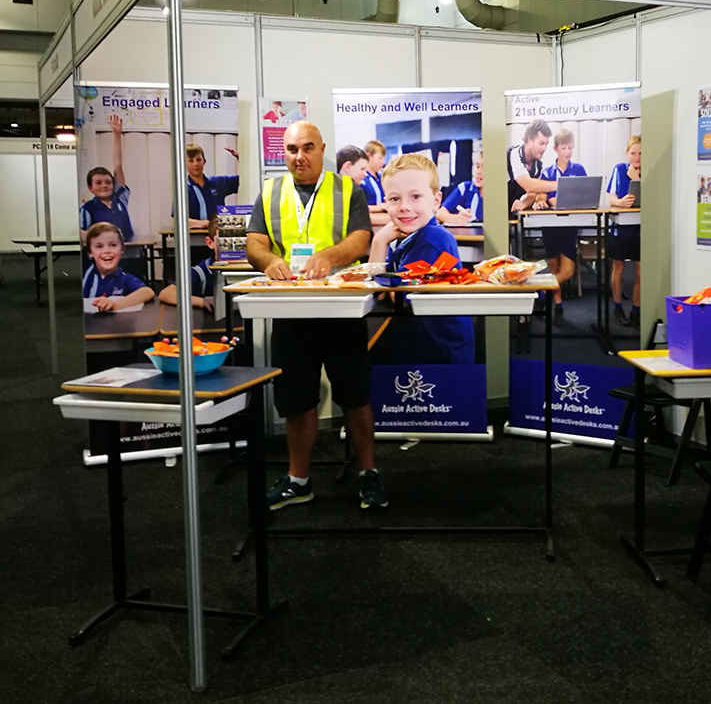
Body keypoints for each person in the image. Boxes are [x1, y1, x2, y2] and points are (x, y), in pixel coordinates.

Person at [245, 121, 385, 511]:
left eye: (308, 147)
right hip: (291, 310)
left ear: (322, 149)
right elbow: (254, 242)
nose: (300, 156)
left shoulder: (348, 190)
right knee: (296, 399)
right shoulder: (270, 191)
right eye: (292, 149)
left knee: (355, 395)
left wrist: (330, 255)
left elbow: (361, 238)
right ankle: (298, 480)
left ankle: (369, 473)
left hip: (341, 308)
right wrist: (268, 260)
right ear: (284, 152)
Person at [371, 154, 474, 364]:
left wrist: (379, 242)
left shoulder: (432, 240)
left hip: (440, 352)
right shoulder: (405, 236)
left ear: (436, 201)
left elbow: (396, 296)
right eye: (394, 199)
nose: (404, 206)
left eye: (415, 196)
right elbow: (378, 290)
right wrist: (380, 241)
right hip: (420, 342)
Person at [538, 129, 587, 327]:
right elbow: (541, 196)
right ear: (556, 149)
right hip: (551, 226)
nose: (567, 151)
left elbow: (586, 196)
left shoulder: (579, 170)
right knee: (553, 267)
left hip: (569, 227)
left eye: (570, 147)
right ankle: (558, 306)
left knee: (567, 270)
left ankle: (542, 291)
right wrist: (546, 201)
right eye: (564, 148)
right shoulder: (547, 172)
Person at [80, 114, 134, 244]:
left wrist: (117, 135)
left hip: (129, 251)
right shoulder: (88, 208)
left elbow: (117, 165)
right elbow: (81, 232)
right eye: (98, 183)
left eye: (108, 182)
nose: (104, 185)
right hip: (106, 253)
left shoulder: (120, 198)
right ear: (90, 187)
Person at [607, 135, 641, 328]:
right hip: (620, 227)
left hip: (640, 228)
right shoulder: (619, 169)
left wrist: (637, 179)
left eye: (641, 153)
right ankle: (617, 307)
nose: (637, 157)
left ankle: (636, 310)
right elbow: (611, 198)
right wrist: (620, 202)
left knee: (641, 271)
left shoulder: (646, 171)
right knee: (618, 267)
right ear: (627, 153)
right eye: (633, 153)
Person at [82, 222, 154, 310]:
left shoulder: (125, 279)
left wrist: (114, 305)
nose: (107, 251)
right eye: (99, 246)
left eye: (113, 245)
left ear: (122, 249)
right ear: (90, 252)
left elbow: (147, 292)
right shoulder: (85, 272)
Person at [159, 215, 218, 310]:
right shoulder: (201, 272)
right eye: (222, 240)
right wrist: (201, 301)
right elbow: (166, 294)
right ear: (210, 242)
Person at [507, 119, 557, 212]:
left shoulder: (538, 166)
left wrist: (524, 203)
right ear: (529, 141)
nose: (544, 148)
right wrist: (561, 185)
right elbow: (529, 185)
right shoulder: (514, 154)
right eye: (541, 143)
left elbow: (532, 194)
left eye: (546, 144)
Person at [186, 143, 239, 230]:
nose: (195, 164)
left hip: (218, 233)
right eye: (191, 161)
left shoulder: (218, 183)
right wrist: (198, 223)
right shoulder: (183, 190)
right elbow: (177, 216)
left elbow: (244, 180)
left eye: (198, 160)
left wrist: (240, 158)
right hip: (194, 235)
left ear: (204, 162)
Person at [437, 150, 484, 225]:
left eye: (484, 168)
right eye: (478, 166)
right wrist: (457, 219)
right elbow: (440, 213)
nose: (478, 172)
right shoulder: (465, 188)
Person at [362, 140, 390, 227]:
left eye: (383, 158)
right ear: (368, 156)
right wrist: (379, 207)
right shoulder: (363, 179)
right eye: (380, 158)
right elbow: (358, 207)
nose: (383, 162)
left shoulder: (382, 177)